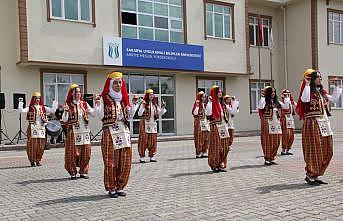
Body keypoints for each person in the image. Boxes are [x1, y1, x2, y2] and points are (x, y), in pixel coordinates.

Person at [94, 72, 139, 198]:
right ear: (110, 84)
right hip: (110, 132)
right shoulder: (104, 98)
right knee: (111, 161)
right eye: (116, 82)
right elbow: (100, 115)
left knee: (125, 161)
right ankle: (111, 188)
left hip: (123, 132)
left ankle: (120, 186)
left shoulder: (123, 100)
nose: (118, 85)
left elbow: (129, 117)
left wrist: (134, 105)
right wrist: (97, 104)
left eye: (120, 82)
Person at [296, 69, 342, 185]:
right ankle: (311, 175)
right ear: (312, 79)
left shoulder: (321, 92)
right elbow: (305, 99)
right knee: (314, 150)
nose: (320, 79)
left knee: (328, 149)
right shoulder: (307, 91)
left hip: (324, 123)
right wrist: (306, 83)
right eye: (318, 77)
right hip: (312, 123)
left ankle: (316, 173)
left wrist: (337, 86)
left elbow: (334, 99)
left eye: (321, 77)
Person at [62, 84, 96, 180]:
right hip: (73, 131)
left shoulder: (84, 104)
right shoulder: (68, 104)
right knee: (73, 153)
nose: (78, 94)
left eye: (79, 92)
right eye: (76, 92)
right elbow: (64, 120)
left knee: (86, 152)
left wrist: (98, 103)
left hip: (85, 131)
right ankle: (72, 172)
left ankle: (83, 171)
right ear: (72, 94)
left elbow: (93, 114)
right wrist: (65, 111)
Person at [19, 92, 57, 167]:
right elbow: (22, 111)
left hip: (41, 128)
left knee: (41, 145)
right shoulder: (30, 107)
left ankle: (38, 160)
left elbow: (52, 110)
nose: (37, 100)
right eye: (36, 98)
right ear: (33, 99)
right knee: (33, 145)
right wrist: (20, 102)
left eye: (39, 98)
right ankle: (32, 161)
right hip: (33, 127)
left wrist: (54, 102)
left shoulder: (43, 107)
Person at [258, 86, 290, 166]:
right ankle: (267, 158)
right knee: (268, 141)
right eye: (271, 92)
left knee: (276, 141)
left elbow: (286, 107)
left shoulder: (276, 102)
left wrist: (286, 98)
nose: (273, 93)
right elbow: (261, 107)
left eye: (274, 92)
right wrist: (263, 96)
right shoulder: (264, 101)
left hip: (276, 123)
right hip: (267, 122)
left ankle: (272, 157)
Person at [205, 85, 231, 172]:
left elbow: (229, 113)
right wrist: (209, 102)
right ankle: (214, 164)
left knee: (225, 146)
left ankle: (221, 163)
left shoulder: (221, 104)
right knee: (216, 147)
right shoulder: (211, 104)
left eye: (220, 91)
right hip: (215, 127)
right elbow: (208, 114)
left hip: (223, 127)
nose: (220, 93)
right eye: (218, 92)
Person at [137, 89, 166, 163]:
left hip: (153, 125)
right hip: (145, 124)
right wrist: (143, 106)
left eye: (152, 94)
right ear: (147, 95)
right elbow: (139, 114)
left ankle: (152, 156)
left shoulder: (154, 104)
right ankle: (142, 157)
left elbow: (160, 114)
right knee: (143, 140)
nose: (151, 96)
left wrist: (163, 107)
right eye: (150, 94)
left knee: (153, 141)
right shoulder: (144, 103)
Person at [192, 91, 210, 158]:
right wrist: (197, 106)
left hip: (206, 123)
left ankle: (204, 151)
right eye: (203, 97)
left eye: (205, 97)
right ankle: (198, 152)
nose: (204, 98)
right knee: (199, 138)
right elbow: (195, 113)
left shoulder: (206, 105)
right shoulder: (197, 105)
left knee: (206, 137)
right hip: (199, 123)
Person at [280, 89, 297, 156]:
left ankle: (288, 149)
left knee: (291, 135)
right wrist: (287, 97)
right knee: (286, 135)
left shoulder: (290, 102)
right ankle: (283, 150)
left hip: (290, 119)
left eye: (288, 94)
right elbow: (286, 107)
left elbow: (297, 105)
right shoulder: (282, 102)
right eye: (285, 94)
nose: (287, 95)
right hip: (285, 119)